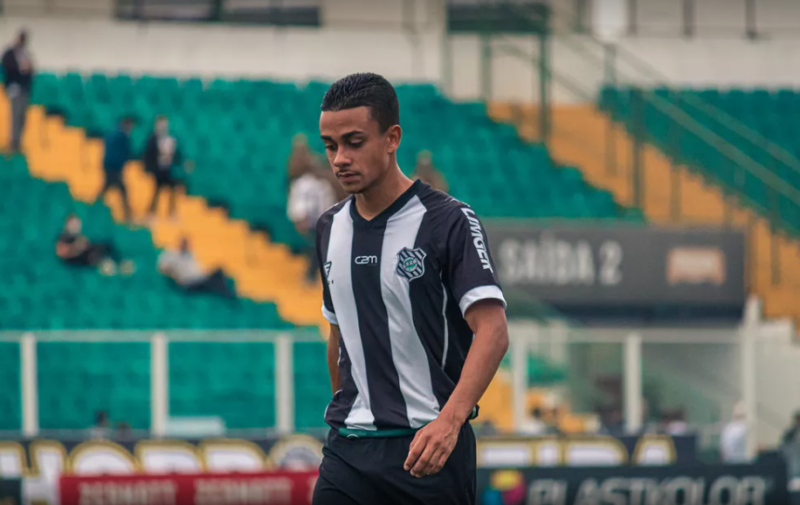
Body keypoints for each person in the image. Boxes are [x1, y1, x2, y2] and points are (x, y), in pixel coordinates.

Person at [312, 73, 509, 505]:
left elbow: (492, 331)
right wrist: (348, 413)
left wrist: (449, 422)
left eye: (354, 142)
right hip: (348, 452)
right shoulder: (328, 227)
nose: (340, 158)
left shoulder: (449, 222)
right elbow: (338, 335)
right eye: (330, 146)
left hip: (428, 453)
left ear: (391, 138)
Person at [287, 164, 336, 284]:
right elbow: (297, 203)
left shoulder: (324, 185)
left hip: (321, 222)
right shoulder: (302, 184)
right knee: (317, 245)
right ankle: (310, 275)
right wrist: (300, 218)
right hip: (309, 222)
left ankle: (314, 275)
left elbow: (329, 204)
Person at [158, 238, 235, 299]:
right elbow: (163, 268)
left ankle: (224, 290)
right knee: (214, 280)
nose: (185, 245)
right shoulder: (172, 255)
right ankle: (225, 293)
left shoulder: (190, 254)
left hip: (197, 278)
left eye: (186, 243)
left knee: (218, 272)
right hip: (188, 282)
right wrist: (173, 274)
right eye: (183, 243)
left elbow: (197, 269)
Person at [55, 214, 132, 275]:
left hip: (84, 257)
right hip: (75, 261)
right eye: (73, 224)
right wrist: (76, 247)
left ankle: (119, 263)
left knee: (104, 245)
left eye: (77, 224)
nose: (76, 227)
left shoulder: (78, 236)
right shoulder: (64, 237)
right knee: (94, 253)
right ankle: (106, 266)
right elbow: (62, 253)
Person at [143, 116, 186, 220]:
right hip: (158, 170)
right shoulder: (152, 138)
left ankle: (171, 212)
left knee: (172, 191)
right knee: (157, 192)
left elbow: (176, 154)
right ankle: (151, 213)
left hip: (168, 170)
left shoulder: (170, 138)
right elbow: (148, 155)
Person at [2, 30, 34, 154]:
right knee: (15, 116)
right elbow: (7, 67)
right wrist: (20, 68)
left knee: (22, 117)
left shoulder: (26, 53)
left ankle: (18, 142)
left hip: (24, 89)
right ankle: (13, 142)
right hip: (14, 89)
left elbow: (31, 69)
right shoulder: (10, 53)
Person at [99, 117, 135, 222]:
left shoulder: (112, 133)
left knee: (108, 187)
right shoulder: (123, 136)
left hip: (108, 165)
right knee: (121, 189)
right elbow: (125, 153)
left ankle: (96, 207)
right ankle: (127, 214)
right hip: (114, 166)